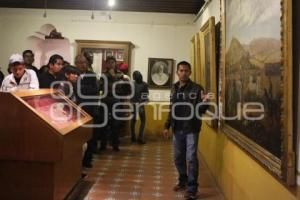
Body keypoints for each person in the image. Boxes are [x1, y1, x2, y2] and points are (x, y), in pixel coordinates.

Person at [162, 61, 211, 200]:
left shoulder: (197, 89)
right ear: (177, 72)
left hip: (191, 129)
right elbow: (172, 108)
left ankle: (192, 188)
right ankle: (183, 180)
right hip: (177, 128)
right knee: (178, 158)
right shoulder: (174, 88)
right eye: (181, 70)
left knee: (191, 158)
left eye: (186, 71)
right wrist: (167, 126)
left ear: (190, 72)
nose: (183, 73)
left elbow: (200, 110)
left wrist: (205, 102)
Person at [99, 56, 130, 152]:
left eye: (113, 62)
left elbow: (121, 88)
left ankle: (115, 145)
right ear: (107, 64)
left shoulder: (120, 75)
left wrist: (114, 80)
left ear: (115, 63)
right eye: (109, 62)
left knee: (116, 125)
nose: (111, 64)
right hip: (105, 101)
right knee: (104, 124)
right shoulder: (103, 75)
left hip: (117, 102)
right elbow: (102, 87)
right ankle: (103, 145)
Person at [75, 55, 99, 168]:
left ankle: (87, 160)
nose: (83, 64)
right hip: (75, 109)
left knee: (89, 135)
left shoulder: (92, 75)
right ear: (76, 63)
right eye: (80, 62)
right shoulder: (72, 74)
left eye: (85, 62)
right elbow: (74, 90)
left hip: (89, 108)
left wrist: (82, 88)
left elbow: (95, 90)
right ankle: (76, 160)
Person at [130, 70, 149, 144]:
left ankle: (133, 137)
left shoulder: (132, 84)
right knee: (143, 121)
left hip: (133, 104)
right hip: (140, 104)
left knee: (133, 121)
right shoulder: (144, 84)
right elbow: (145, 95)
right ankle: (140, 137)